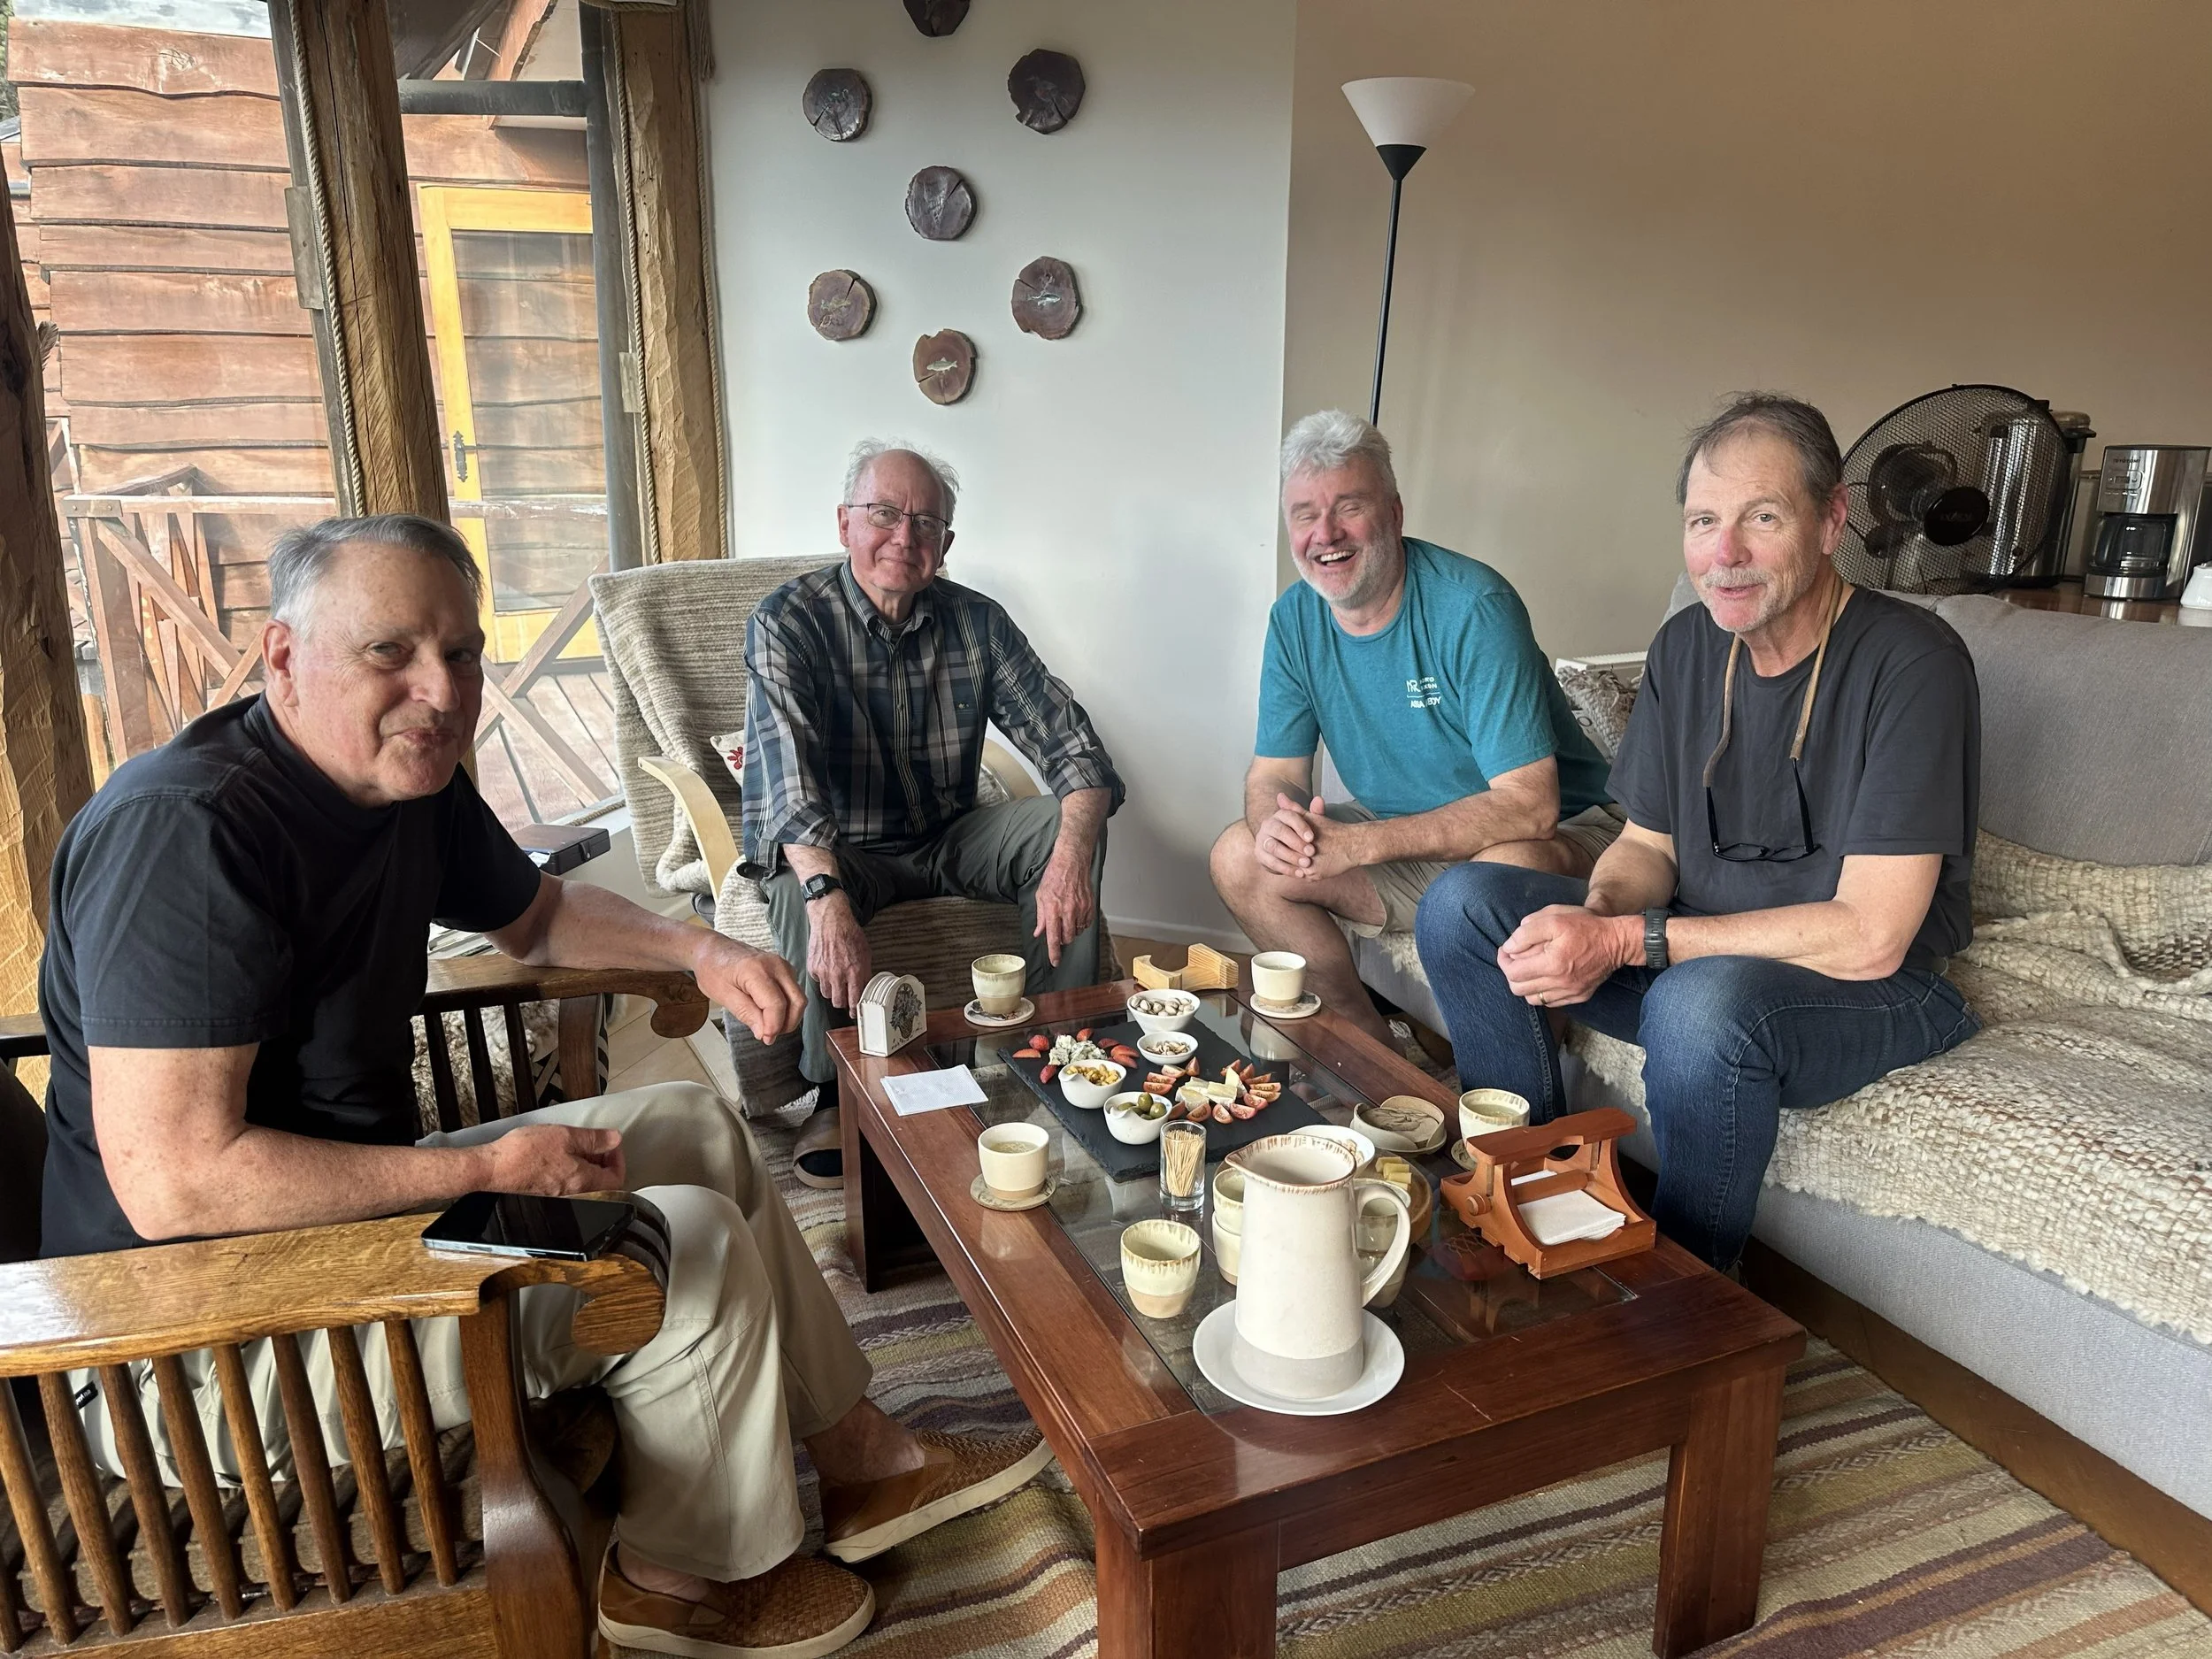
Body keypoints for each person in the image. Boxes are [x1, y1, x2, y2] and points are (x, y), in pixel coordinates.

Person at [39, 515, 1052, 1659]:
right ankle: (681, 1580)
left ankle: (865, 1461)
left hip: (346, 1237)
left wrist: (703, 951)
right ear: (283, 656)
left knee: (689, 1126)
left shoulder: (399, 776)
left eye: (463, 651)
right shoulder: (186, 834)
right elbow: (176, 1182)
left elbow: (538, 914)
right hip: (201, 1343)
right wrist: (479, 1168)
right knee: (685, 1242)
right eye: (391, 653)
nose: (441, 688)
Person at [1414, 394, 1983, 1271]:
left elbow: (1872, 937)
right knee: (1464, 904)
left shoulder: (1912, 665)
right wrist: (1596, 916)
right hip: (1698, 957)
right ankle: (1534, 1194)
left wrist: (1626, 940)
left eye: (1761, 518)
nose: (1725, 555)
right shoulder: (1686, 647)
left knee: (1695, 1003)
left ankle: (1686, 1310)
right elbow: (1648, 846)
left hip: (1865, 988)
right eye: (1703, 521)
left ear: (1831, 519)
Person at [744, 440, 1124, 1176]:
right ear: (845, 523)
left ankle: (1053, 1054)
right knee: (797, 884)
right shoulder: (787, 621)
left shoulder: (977, 622)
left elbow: (1076, 750)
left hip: (949, 834)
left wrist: (1072, 856)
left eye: (925, 524)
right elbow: (788, 787)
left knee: (1061, 823)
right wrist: (828, 901)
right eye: (884, 513)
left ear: (946, 544)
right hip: (845, 848)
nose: (904, 537)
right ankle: (835, 1093)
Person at [1210, 411, 1617, 1052]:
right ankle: (1377, 1058)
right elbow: (1275, 776)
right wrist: (1276, 826)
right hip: (1413, 842)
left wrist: (1362, 843)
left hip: (1563, 833)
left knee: (1494, 876)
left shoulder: (1473, 606)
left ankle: (1518, 1091)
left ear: (1396, 515)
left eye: (1349, 507)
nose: (1326, 534)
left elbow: (1530, 807)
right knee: (1239, 853)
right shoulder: (1294, 619)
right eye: (1304, 514)